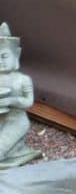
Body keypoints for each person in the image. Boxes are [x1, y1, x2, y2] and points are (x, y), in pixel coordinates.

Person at [0, 23, 41, 168]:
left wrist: (11, 100)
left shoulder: (22, 80)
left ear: (16, 54)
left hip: (16, 119)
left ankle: (11, 150)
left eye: (4, 56)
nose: (0, 61)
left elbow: (29, 102)